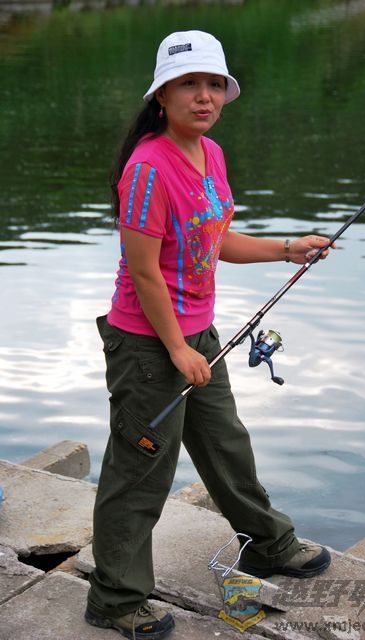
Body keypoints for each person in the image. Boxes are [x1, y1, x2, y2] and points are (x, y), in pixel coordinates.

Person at [85, 30, 334, 640]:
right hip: (148, 345)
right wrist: (174, 348)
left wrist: (286, 248)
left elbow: (214, 241)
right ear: (162, 95)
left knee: (226, 444)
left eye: (214, 84)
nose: (204, 96)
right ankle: (115, 598)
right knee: (140, 469)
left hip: (199, 336)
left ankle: (268, 544)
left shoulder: (211, 154)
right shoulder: (148, 168)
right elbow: (144, 270)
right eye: (189, 84)